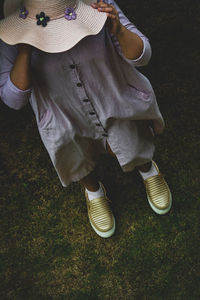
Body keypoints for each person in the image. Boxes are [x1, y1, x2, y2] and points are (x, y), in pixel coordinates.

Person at [0, 0, 172, 239]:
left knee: (132, 142)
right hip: (63, 116)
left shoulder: (98, 6)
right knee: (75, 154)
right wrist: (25, 49)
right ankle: (94, 192)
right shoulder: (12, 31)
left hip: (112, 100)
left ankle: (148, 170)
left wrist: (119, 30)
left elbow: (143, 56)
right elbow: (13, 99)